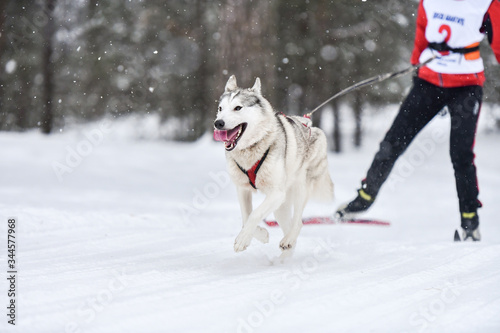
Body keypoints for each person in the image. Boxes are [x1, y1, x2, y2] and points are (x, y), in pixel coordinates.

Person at [336, 0, 500, 241]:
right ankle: (364, 198)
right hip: (428, 83)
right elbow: (422, 36)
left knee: (461, 154)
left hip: (466, 86)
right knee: (393, 142)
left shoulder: (486, 4)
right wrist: (416, 68)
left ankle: (469, 220)